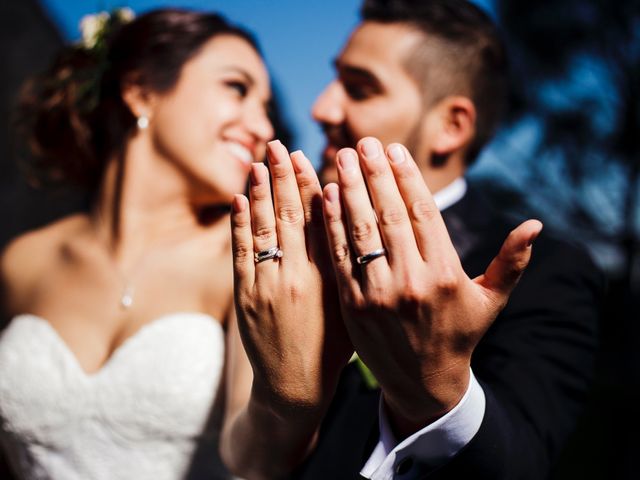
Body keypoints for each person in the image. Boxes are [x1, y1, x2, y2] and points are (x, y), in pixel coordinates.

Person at [227, 1, 603, 479]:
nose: (321, 107)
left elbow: (523, 461)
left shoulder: (549, 271)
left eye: (360, 89)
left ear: (451, 126)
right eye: (333, 78)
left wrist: (437, 388)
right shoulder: (289, 246)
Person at [0, 8, 278, 479]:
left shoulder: (242, 259)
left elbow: (259, 456)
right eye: (237, 88)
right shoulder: (24, 261)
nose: (263, 128)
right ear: (141, 91)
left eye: (267, 108)